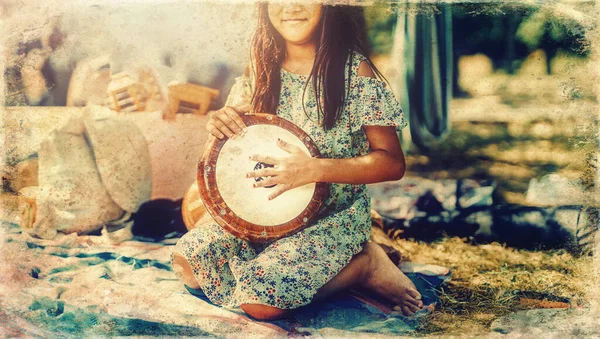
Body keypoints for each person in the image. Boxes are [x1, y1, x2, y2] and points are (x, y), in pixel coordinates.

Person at [171, 3, 425, 320]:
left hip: (331, 220)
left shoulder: (354, 73)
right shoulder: (261, 66)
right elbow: (235, 143)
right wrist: (221, 123)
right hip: (265, 218)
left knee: (260, 302)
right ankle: (277, 263)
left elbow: (391, 163)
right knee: (189, 262)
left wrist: (314, 169)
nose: (291, 6)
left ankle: (363, 266)